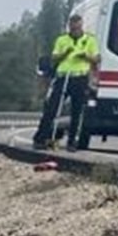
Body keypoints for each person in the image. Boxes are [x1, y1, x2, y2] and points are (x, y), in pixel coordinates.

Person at [33, 14, 99, 151]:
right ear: (69, 26)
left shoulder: (90, 40)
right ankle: (40, 138)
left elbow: (97, 59)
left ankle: (72, 142)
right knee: (52, 108)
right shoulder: (62, 40)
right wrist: (65, 53)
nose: (75, 30)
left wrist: (86, 56)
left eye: (77, 27)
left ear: (81, 26)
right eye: (73, 27)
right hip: (63, 76)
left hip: (80, 77)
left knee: (77, 111)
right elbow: (54, 58)